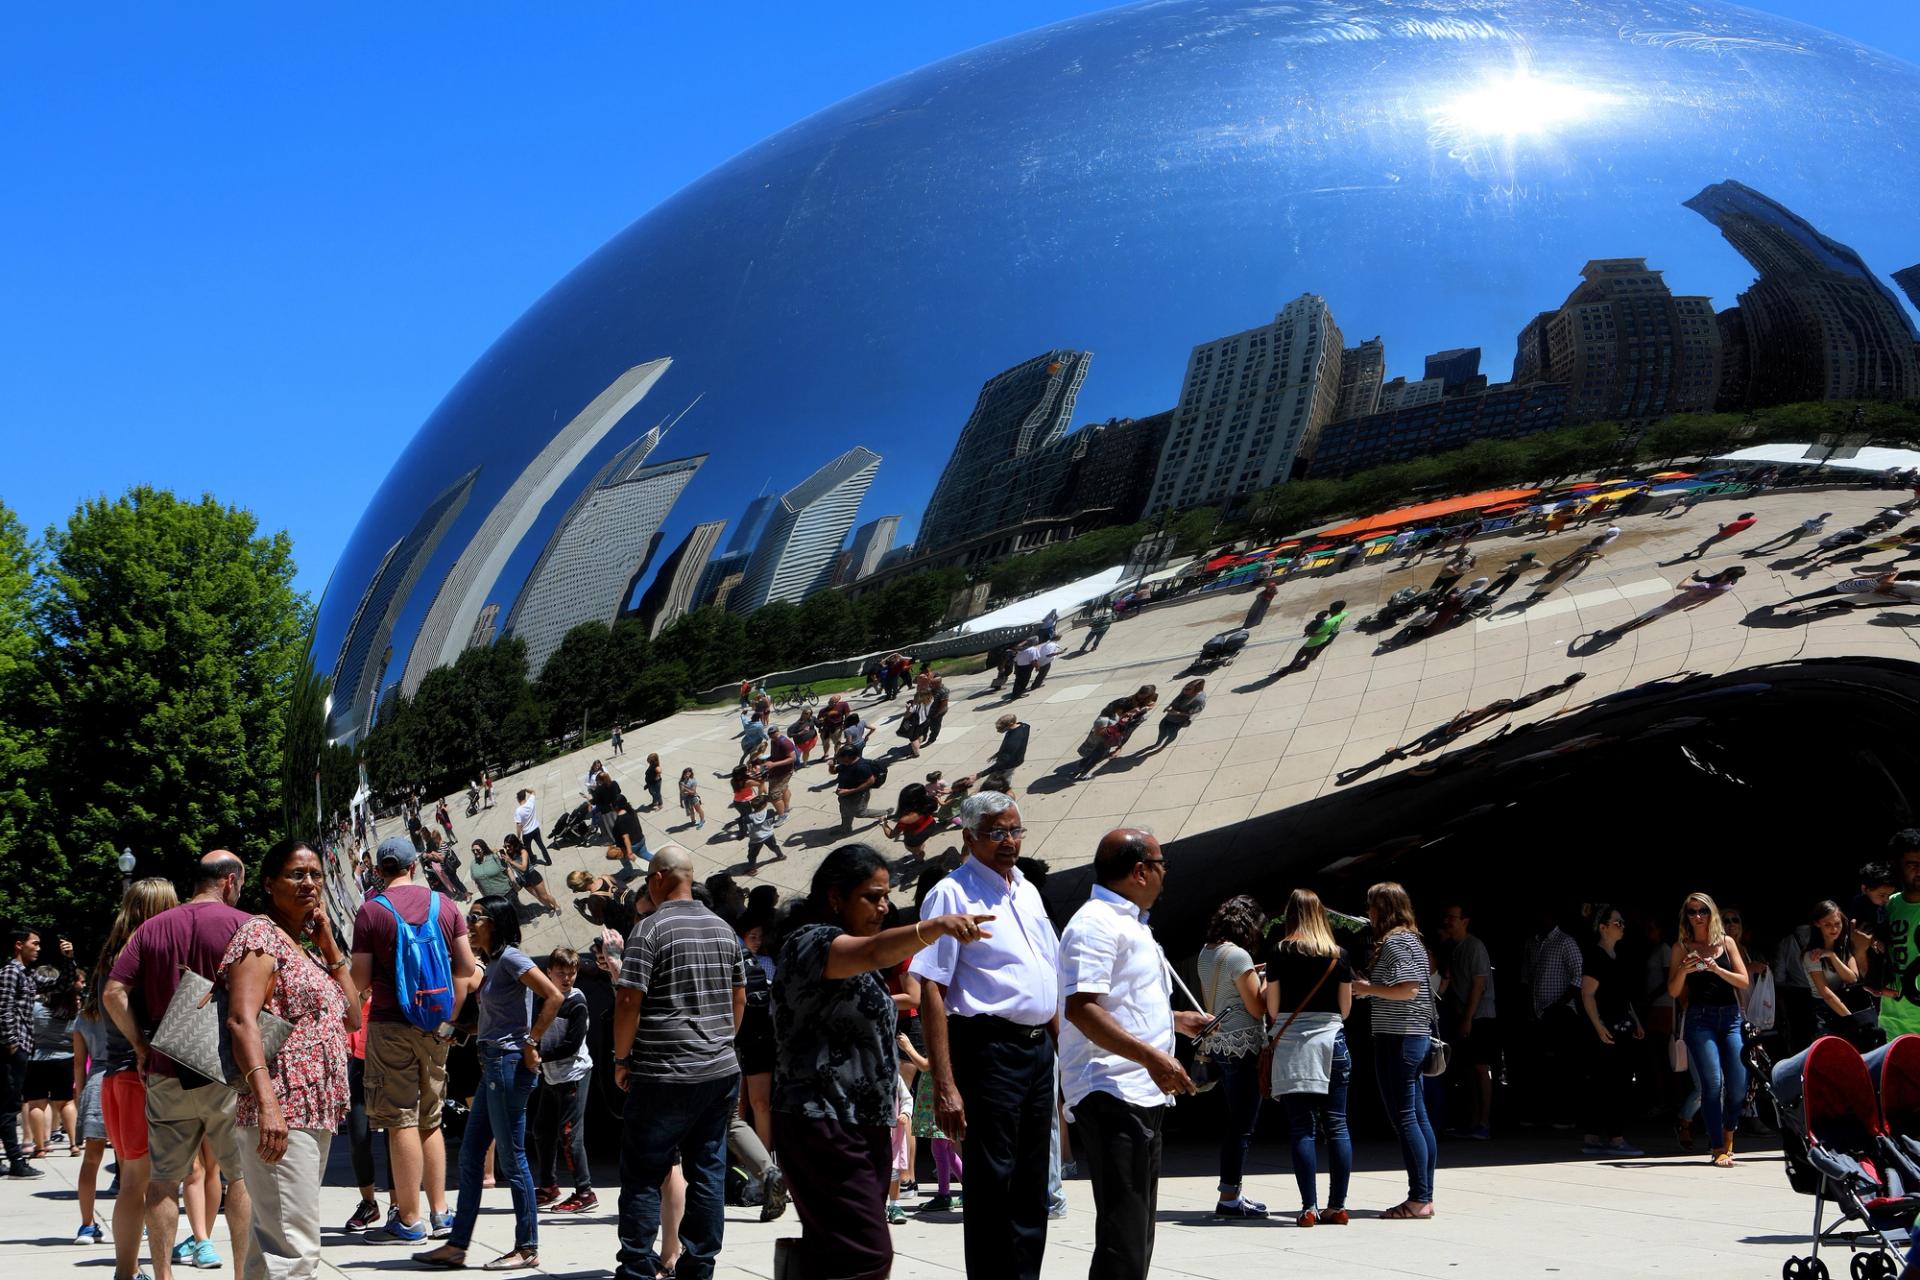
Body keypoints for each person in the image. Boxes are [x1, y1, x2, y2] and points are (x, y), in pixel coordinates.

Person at [770, 844, 993, 1280]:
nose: (883, 906)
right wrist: (934, 926)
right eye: (872, 896)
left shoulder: (857, 960)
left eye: (887, 895)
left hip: (862, 1122)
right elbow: (871, 952)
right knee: (865, 1255)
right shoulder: (811, 943)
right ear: (836, 897)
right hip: (822, 1121)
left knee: (835, 1251)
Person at [909, 792, 1061, 1280]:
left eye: (1015, 830)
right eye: (997, 832)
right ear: (968, 836)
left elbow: (1048, 977)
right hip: (989, 1049)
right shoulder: (952, 894)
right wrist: (946, 1085)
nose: (1010, 841)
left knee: (1034, 1179)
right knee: (993, 1178)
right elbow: (930, 987)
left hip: (1038, 1050)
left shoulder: (1029, 891)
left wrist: (1065, 1052)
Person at [1058, 830, 1207, 1280]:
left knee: (1137, 1229)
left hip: (1139, 1091)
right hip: (1111, 1089)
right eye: (1162, 864)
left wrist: (1175, 1020)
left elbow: (1120, 1002)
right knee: (1124, 1231)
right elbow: (1081, 1009)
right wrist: (1152, 1056)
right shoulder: (1095, 923)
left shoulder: (1131, 922)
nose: (1165, 875)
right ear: (1140, 871)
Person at [101, 852, 255, 1280]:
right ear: (229, 881)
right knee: (238, 1178)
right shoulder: (246, 926)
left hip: (167, 1068)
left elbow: (114, 993)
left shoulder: (152, 928)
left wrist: (140, 1045)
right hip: (229, 1072)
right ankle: (243, 1274)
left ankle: (164, 1274)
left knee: (164, 1180)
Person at [222, 838, 360, 1280]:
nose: (309, 883)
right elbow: (242, 1021)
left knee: (274, 1247)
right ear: (268, 883)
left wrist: (331, 947)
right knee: (295, 1250)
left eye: (315, 874)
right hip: (283, 1105)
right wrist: (268, 1105)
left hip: (313, 1109)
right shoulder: (260, 936)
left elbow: (353, 1017)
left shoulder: (307, 948)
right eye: (296, 874)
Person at [610, 848, 747, 1280]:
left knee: (643, 1170)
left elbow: (629, 999)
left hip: (661, 1072)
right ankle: (699, 1265)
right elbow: (738, 997)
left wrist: (621, 1057)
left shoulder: (649, 930)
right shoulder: (725, 930)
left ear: (657, 879)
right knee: (707, 1167)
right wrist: (721, 1040)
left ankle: (636, 1264)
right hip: (719, 1070)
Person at [411, 894, 563, 1271]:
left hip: (509, 1068)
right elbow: (497, 1022)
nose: (469, 923)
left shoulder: (511, 957)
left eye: (476, 917)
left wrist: (531, 1042)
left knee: (513, 1159)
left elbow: (554, 995)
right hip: (492, 1064)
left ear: (495, 921)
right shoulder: (494, 964)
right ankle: (457, 1245)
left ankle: (527, 1247)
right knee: (470, 1155)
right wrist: (462, 1031)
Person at [351, 835, 480, 1243]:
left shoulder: (371, 912)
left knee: (400, 1120)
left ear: (381, 871)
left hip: (390, 1024)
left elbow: (360, 980)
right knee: (431, 1118)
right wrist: (450, 1018)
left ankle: (408, 1220)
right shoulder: (445, 906)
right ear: (412, 866)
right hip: (436, 1027)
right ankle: (441, 1212)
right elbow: (465, 970)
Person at [92, 878, 179, 1280]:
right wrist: (143, 1046)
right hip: (136, 1078)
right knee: (139, 1185)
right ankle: (127, 1273)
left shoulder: (112, 953)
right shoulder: (143, 954)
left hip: (113, 1077)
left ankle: (127, 1271)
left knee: (131, 1182)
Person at [1265, 889, 1355, 1226]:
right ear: (1321, 915)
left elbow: (1273, 1011)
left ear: (1290, 915)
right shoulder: (1339, 956)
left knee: (1302, 1129)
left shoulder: (1278, 953)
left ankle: (1308, 1207)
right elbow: (1345, 1010)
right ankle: (1338, 1205)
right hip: (1333, 1042)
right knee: (1338, 1125)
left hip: (1292, 1046)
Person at [1352, 881, 1438, 1220]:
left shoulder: (1396, 942)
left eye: (1372, 906)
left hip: (1399, 1037)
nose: (1368, 913)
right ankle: (1424, 1195)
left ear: (1385, 908)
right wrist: (1371, 987)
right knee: (1417, 1116)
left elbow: (1409, 989)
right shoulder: (1412, 939)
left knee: (1405, 1117)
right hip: (1409, 1036)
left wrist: (1366, 988)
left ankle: (1419, 1197)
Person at [1666, 893, 1750, 1167]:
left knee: (1738, 1086)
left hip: (1730, 1018)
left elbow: (1743, 981)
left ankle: (1729, 1133)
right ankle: (1717, 1147)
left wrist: (1715, 969)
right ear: (1686, 916)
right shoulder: (1681, 946)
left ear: (1711, 912)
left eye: (1703, 910)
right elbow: (1673, 991)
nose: (1698, 916)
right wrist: (1684, 970)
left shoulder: (1726, 943)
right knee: (1713, 1083)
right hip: (1699, 1019)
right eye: (1692, 911)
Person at [1196, 896, 1267, 1218]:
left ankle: (1232, 1192)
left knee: (1234, 1121)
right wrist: (1263, 982)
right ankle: (1229, 1196)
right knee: (1242, 1125)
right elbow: (1257, 1007)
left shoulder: (1207, 952)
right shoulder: (1239, 956)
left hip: (1218, 1044)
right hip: (1243, 1045)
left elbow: (1222, 990)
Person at [531, 948, 597, 1214]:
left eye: (572, 973)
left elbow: (571, 1045)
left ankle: (585, 1192)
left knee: (570, 1135)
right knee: (542, 1130)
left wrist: (537, 1056)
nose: (567, 978)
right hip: (550, 1075)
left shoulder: (576, 1002)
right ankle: (548, 1187)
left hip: (573, 1075)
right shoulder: (545, 997)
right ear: (549, 973)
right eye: (561, 974)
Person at [1576, 906, 1644, 1157]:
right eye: (1617, 922)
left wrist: (1636, 1021)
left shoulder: (1618, 955)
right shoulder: (1595, 956)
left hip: (1621, 1025)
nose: (1622, 926)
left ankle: (1596, 1136)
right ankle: (1614, 1138)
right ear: (1603, 927)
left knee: (1615, 1082)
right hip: (1604, 1029)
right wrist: (1599, 1026)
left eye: (1623, 922)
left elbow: (1623, 997)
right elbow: (1588, 994)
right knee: (1610, 1083)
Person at [1436, 904, 1495, 1142]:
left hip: (1479, 1016)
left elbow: (1478, 985)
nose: (1448, 921)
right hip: (1462, 1015)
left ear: (1465, 921)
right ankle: (1471, 1122)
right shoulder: (1454, 947)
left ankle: (1484, 1122)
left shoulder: (1475, 947)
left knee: (1481, 1068)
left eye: (1453, 918)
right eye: (1446, 917)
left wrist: (1468, 1019)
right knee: (1468, 1070)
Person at [0, 926, 44, 1179]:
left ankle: (13, 1161)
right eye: (34, 943)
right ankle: (17, 1162)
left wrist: (69, 960)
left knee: (5, 1104)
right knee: (9, 1105)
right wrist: (12, 1043)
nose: (38, 948)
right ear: (19, 945)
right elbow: (3, 1008)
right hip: (13, 1048)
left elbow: (60, 985)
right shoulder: (10, 972)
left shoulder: (27, 974)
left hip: (21, 1045)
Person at [1601, 567, 1745, 638]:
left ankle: (1612, 632)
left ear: (1725, 574)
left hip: (1677, 602)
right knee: (1654, 617)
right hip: (1683, 605)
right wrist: (1697, 606)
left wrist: (1689, 576)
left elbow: (1680, 586)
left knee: (1644, 616)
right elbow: (1711, 598)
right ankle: (1627, 631)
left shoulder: (1704, 586)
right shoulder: (1729, 587)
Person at [1806, 901, 1874, 1046]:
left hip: (1848, 1000)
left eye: (1837, 923)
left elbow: (1852, 978)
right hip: (1825, 1010)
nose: (1834, 929)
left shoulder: (1844, 947)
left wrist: (1832, 956)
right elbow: (1826, 994)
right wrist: (1851, 1020)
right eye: (1827, 925)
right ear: (1818, 924)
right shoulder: (1811, 955)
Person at [1878, 832, 1920, 1043]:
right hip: (1894, 1024)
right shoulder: (1887, 905)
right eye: (1912, 864)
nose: (1919, 870)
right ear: (1898, 867)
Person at [1280, 601, 1348, 674]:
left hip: (1315, 640)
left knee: (1300, 654)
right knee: (1313, 651)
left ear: (1334, 610)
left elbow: (1314, 633)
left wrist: (1314, 625)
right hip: (1329, 636)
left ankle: (1290, 668)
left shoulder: (1327, 623)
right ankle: (1305, 664)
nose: (1329, 610)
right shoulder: (1344, 614)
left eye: (1331, 609)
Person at [503, 837, 562, 917]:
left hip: (533, 876)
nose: (507, 848)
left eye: (509, 846)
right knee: (537, 896)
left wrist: (511, 861)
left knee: (544, 896)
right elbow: (495, 850)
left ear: (514, 844)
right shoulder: (509, 853)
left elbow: (524, 867)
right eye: (505, 846)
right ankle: (550, 907)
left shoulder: (523, 852)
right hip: (524, 880)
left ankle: (556, 906)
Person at [1670, 511, 1758, 562]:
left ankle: (1693, 554)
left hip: (1723, 534)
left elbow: (1722, 530)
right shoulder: (1751, 521)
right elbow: (1751, 523)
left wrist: (1720, 526)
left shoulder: (1736, 523)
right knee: (1708, 543)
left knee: (1706, 543)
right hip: (1731, 534)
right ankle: (1696, 553)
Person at [1146, 680, 1206, 754]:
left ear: (1196, 690)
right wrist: (1169, 706)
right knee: (1162, 730)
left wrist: (1178, 713)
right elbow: (1176, 699)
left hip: (1178, 722)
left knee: (1171, 734)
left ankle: (1164, 746)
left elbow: (1193, 713)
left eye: (1188, 689)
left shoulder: (1199, 700)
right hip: (1169, 717)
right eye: (1184, 688)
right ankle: (1157, 743)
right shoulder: (1185, 691)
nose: (1184, 690)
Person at [833, 745, 880, 834]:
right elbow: (834, 771)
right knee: (844, 811)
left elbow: (871, 781)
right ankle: (845, 828)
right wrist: (831, 766)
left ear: (849, 757)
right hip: (844, 795)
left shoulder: (861, 767)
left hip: (858, 796)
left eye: (841, 757)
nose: (839, 759)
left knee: (860, 813)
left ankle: (883, 813)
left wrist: (849, 791)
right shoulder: (845, 763)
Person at [514, 789, 550, 867]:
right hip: (535, 829)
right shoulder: (531, 802)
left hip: (526, 833)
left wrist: (518, 837)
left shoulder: (518, 811)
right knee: (541, 845)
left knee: (528, 848)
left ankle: (533, 861)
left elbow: (519, 825)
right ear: (524, 797)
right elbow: (533, 792)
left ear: (518, 799)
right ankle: (548, 860)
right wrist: (525, 789)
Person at [990, 712, 1031, 778]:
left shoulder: (1014, 737)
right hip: (1013, 760)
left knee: (1005, 778)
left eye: (1001, 728)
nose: (998, 731)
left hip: (1010, 763)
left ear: (1010, 724)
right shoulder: (1024, 726)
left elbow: (1008, 754)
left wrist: (980, 774)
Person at [1009, 634, 1042, 699]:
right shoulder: (1033, 649)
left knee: (1017, 681)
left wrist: (1026, 641)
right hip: (1026, 668)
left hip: (1019, 667)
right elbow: (1034, 661)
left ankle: (1014, 694)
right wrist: (1037, 667)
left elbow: (1015, 660)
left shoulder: (1021, 650)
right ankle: (1018, 694)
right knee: (1024, 682)